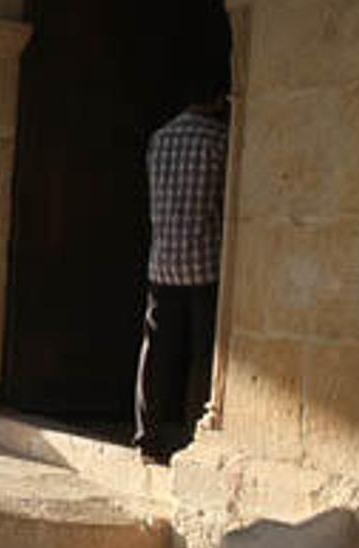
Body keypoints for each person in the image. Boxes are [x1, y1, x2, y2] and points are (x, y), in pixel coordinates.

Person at [133, 92, 229, 465]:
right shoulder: (218, 141)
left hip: (162, 261)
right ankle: (194, 433)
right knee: (203, 354)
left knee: (156, 350)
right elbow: (223, 203)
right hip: (204, 263)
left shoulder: (161, 138)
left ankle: (148, 436)